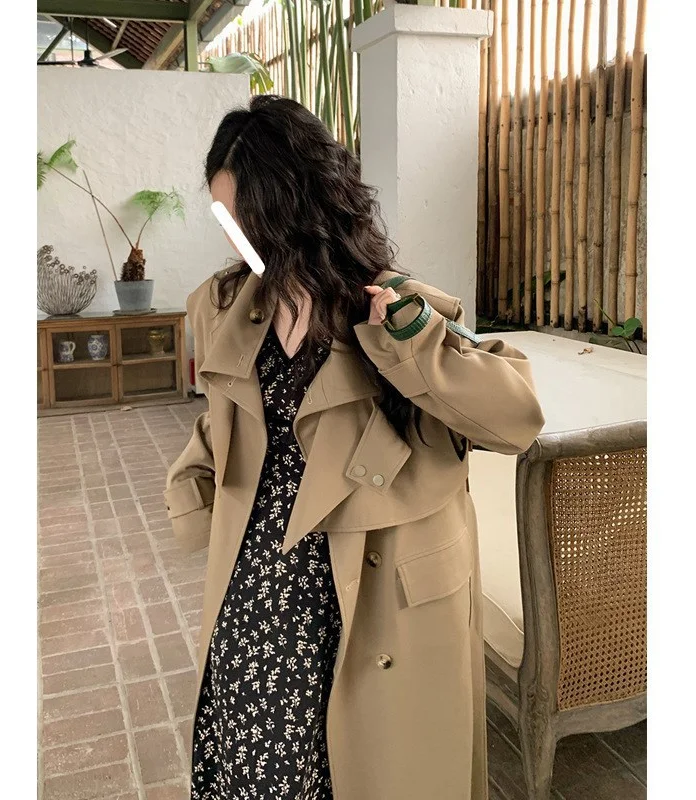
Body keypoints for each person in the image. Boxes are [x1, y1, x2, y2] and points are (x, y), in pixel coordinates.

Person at [164, 95, 545, 800]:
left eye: (243, 218)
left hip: (367, 590)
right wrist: (193, 478)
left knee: (370, 766)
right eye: (223, 218)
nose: (234, 238)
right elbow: (230, 418)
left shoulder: (389, 305)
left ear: (292, 207)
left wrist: (415, 347)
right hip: (258, 587)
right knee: (258, 767)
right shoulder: (228, 307)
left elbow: (516, 417)